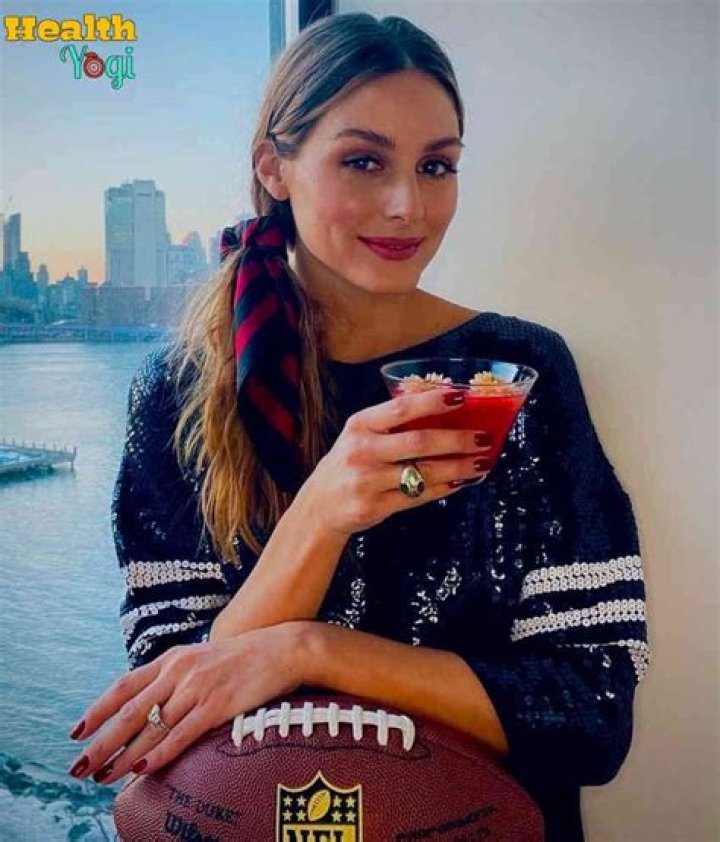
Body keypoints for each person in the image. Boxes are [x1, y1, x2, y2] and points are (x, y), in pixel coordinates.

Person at [66, 12, 650, 841]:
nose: (409, 205)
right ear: (274, 168)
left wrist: (313, 651)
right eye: (364, 161)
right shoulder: (179, 394)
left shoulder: (520, 374)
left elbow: (592, 715)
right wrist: (321, 512)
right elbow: (172, 718)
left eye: (436, 165)